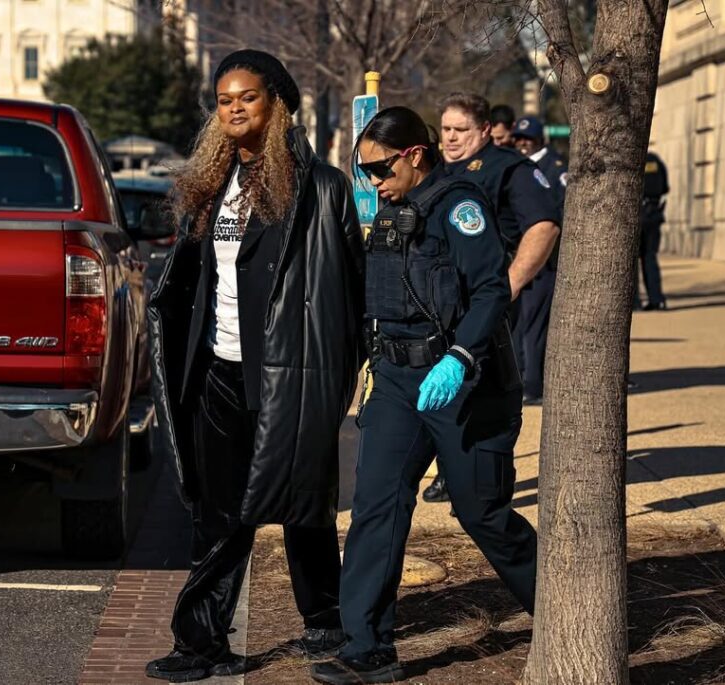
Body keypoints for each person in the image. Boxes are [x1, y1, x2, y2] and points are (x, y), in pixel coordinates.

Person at [146, 49, 365, 682]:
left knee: (305, 505)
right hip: (218, 369)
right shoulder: (209, 187)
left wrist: (342, 377)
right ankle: (202, 642)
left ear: (277, 104)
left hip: (291, 374)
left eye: (247, 96)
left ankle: (325, 620)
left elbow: (351, 291)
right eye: (224, 99)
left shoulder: (322, 190)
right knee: (217, 512)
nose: (234, 107)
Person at [311, 107, 537, 685]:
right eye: (364, 174)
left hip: (465, 383)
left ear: (414, 154)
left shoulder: (459, 205)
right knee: (376, 507)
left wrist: (459, 357)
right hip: (397, 381)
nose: (373, 183)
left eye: (380, 169)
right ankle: (367, 647)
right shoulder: (391, 210)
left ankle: (560, 608)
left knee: (481, 512)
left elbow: (490, 290)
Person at [421, 93, 561, 503]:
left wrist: (509, 285)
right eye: (445, 129)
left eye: (460, 130)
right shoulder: (432, 169)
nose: (450, 138)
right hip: (439, 303)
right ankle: (450, 473)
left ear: (484, 131)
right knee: (441, 391)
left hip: (487, 304)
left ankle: (490, 480)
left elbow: (544, 226)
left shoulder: (507, 169)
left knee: (486, 393)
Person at [510, 115, 567, 405]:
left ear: (540, 140)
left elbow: (560, 212)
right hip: (517, 255)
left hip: (544, 260)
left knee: (534, 326)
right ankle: (520, 379)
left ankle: (532, 384)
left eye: (527, 139)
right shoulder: (519, 167)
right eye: (518, 139)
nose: (522, 144)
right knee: (518, 324)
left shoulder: (555, 167)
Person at [638, 151, 669, 310]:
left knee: (630, 262)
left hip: (637, 215)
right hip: (654, 214)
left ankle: (634, 302)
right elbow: (665, 188)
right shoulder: (656, 160)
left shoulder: (633, 159)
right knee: (650, 258)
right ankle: (657, 299)